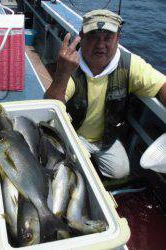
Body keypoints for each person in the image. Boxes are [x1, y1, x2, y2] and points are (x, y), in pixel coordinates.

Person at [44, 9, 166, 179]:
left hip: (106, 141)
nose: (101, 45)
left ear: (118, 39)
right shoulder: (71, 66)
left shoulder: (130, 65)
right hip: (74, 135)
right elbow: (49, 109)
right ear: (81, 37)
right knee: (67, 169)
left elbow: (162, 85)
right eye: (94, 36)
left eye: (108, 37)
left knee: (120, 172)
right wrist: (62, 74)